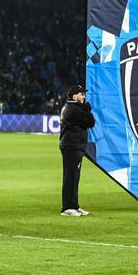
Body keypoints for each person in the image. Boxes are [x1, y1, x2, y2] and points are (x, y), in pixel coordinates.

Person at [59, 84, 94, 217]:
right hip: (72, 146)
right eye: (81, 94)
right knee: (71, 178)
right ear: (74, 95)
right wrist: (87, 111)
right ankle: (67, 207)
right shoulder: (73, 109)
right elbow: (91, 122)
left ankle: (74, 205)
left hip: (72, 146)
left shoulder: (70, 107)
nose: (84, 96)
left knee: (73, 177)